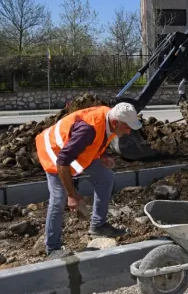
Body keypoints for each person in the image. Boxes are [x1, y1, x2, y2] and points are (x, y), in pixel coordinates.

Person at [35, 102, 141, 258]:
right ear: (115, 123)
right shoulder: (88, 130)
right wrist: (72, 195)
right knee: (59, 199)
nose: (128, 131)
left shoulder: (109, 117)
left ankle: (98, 225)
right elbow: (63, 161)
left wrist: (102, 156)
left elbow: (99, 139)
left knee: (105, 177)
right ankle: (52, 248)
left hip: (74, 148)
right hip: (55, 151)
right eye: (127, 127)